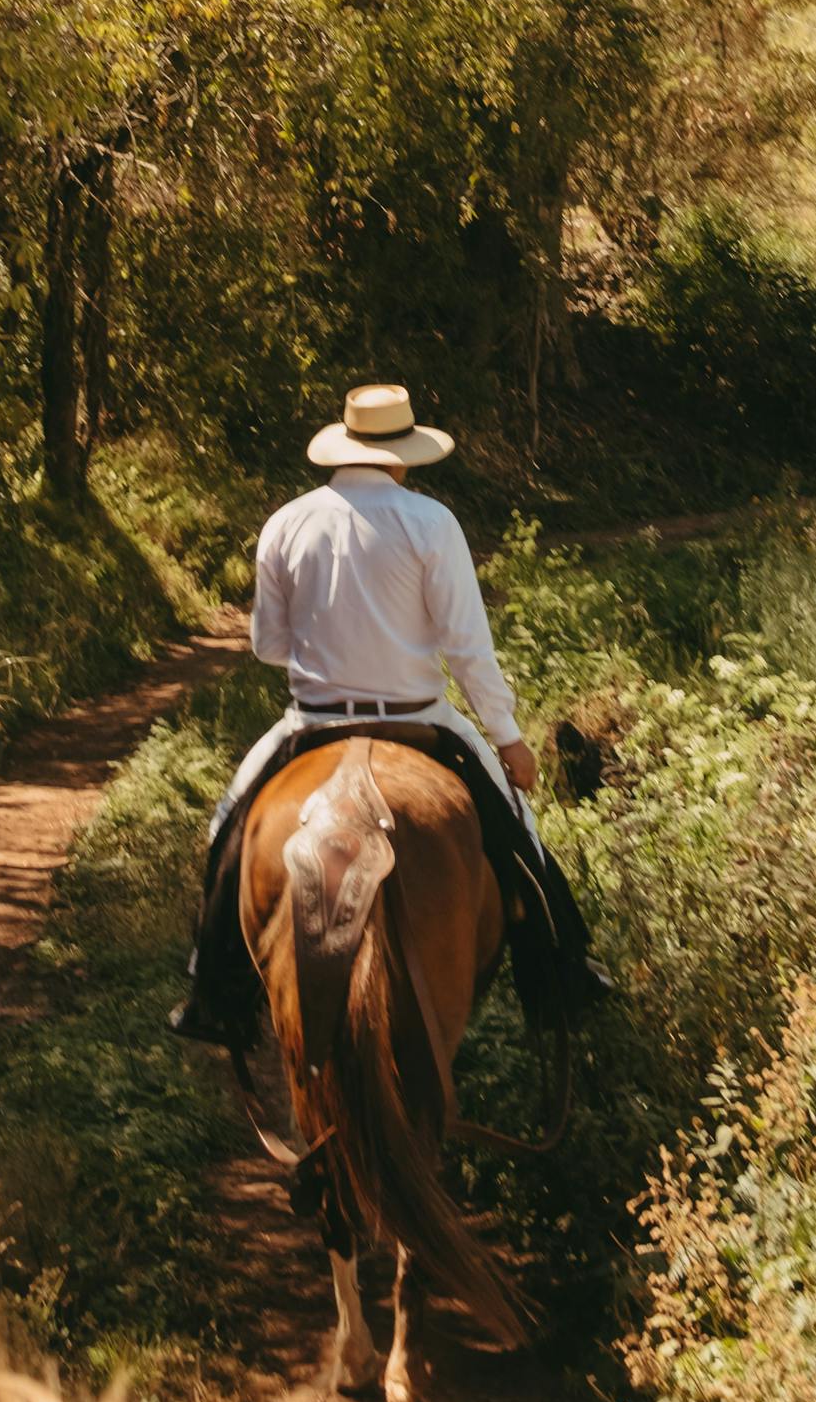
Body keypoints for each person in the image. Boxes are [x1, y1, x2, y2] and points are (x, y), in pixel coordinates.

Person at [167, 382, 606, 1049]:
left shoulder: (287, 522)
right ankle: (561, 978)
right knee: (523, 839)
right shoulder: (431, 523)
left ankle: (212, 989)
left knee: (227, 827)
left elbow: (267, 646)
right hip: (422, 719)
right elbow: (467, 650)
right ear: (404, 456)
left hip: (310, 723)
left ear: (343, 448)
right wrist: (508, 739)